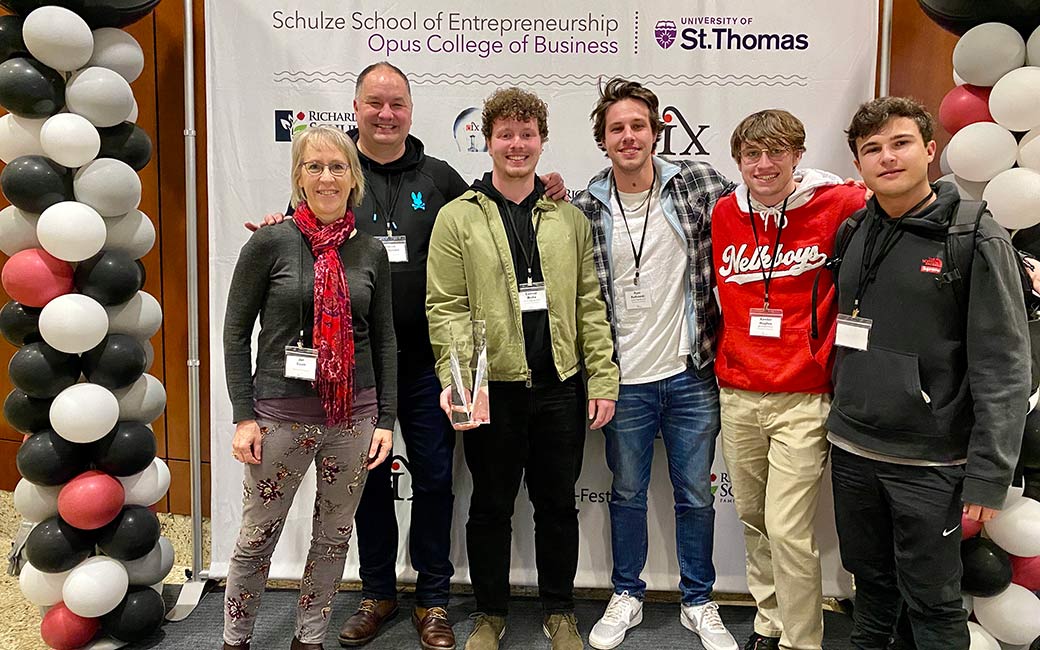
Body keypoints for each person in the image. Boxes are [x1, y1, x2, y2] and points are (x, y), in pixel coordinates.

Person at [252, 62, 567, 650]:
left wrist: (549, 190)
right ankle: (376, 593)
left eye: (396, 103)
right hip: (355, 366)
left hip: (430, 364)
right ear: (356, 107)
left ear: (411, 110)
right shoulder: (337, 177)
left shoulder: (443, 177)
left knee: (436, 479)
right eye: (375, 103)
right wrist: (275, 221)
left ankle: (433, 600)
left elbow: (500, 207)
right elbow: (299, 231)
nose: (386, 114)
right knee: (365, 482)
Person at [828, 96, 1030, 650]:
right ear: (858, 163)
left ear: (930, 150)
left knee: (934, 601)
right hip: (852, 449)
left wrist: (990, 474)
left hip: (930, 462)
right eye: (872, 149)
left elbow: (1005, 366)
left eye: (901, 143)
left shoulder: (973, 238)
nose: (887, 158)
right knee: (868, 586)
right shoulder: (853, 233)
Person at [426, 87, 619, 650]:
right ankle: (490, 612)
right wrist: (462, 384)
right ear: (487, 142)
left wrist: (601, 377)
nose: (517, 145)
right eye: (506, 135)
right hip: (493, 393)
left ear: (542, 141)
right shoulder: (456, 218)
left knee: (557, 505)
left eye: (527, 134)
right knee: (489, 507)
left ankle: (560, 610)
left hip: (561, 387)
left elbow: (590, 302)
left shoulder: (568, 217)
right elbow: (447, 306)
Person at [571, 78, 738, 650]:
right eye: (616, 128)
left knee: (695, 492)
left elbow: (763, 205)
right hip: (624, 381)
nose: (628, 136)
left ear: (657, 130)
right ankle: (627, 594)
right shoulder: (585, 205)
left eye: (637, 125)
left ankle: (698, 599)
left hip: (692, 372)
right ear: (603, 138)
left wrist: (817, 183)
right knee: (627, 492)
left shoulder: (702, 183)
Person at [222, 125, 396, 650]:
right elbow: (235, 331)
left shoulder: (369, 251)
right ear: (299, 176)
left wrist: (385, 419)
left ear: (353, 178)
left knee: (332, 538)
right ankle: (234, 639)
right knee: (257, 539)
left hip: (353, 418)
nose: (326, 177)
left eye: (337, 167)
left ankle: (309, 638)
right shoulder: (269, 242)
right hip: (278, 416)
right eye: (314, 166)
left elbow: (383, 337)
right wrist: (243, 414)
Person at [710, 109, 867, 650]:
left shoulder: (839, 203)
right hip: (738, 392)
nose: (765, 164)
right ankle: (769, 620)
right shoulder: (724, 213)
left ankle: (803, 641)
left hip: (803, 395)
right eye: (752, 154)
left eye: (777, 152)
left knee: (787, 528)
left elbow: (902, 204)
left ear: (799, 155)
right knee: (754, 518)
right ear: (738, 162)